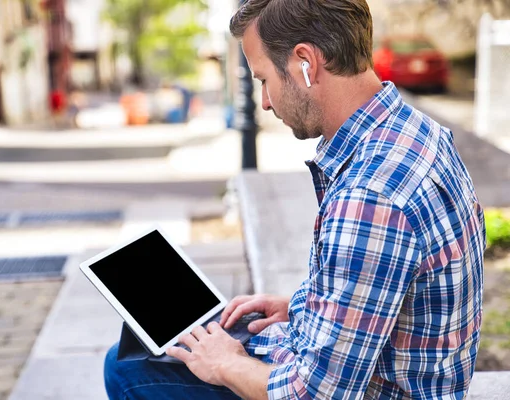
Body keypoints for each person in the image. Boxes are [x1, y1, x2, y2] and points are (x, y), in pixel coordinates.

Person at [104, 0, 486, 398]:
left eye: (264, 79)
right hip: (394, 371)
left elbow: (314, 394)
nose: (265, 101)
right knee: (168, 343)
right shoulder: (415, 131)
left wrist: (228, 363)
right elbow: (388, 288)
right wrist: (303, 307)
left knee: (127, 368)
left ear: (305, 62)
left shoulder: (370, 197)